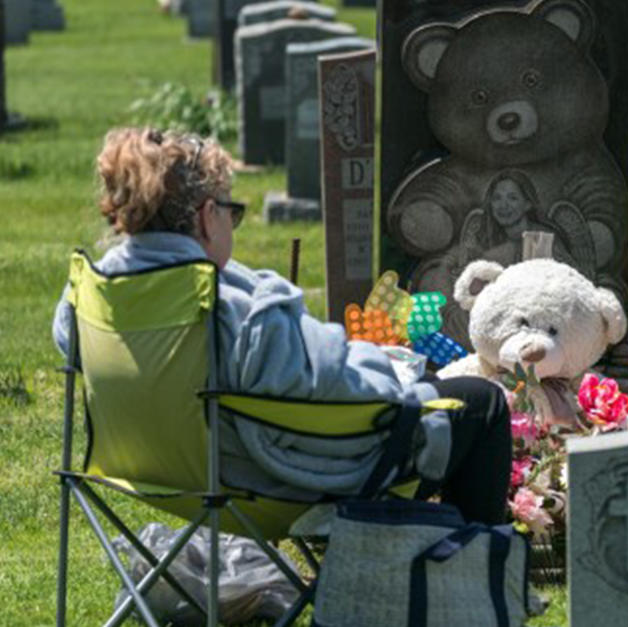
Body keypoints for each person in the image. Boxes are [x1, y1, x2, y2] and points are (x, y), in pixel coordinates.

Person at [52, 128, 511, 525]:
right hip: (270, 482)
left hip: (151, 473)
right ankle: (473, 574)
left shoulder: (91, 296)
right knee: (481, 402)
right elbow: (337, 395)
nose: (232, 225)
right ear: (207, 216)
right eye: (232, 212)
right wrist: (392, 375)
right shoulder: (236, 311)